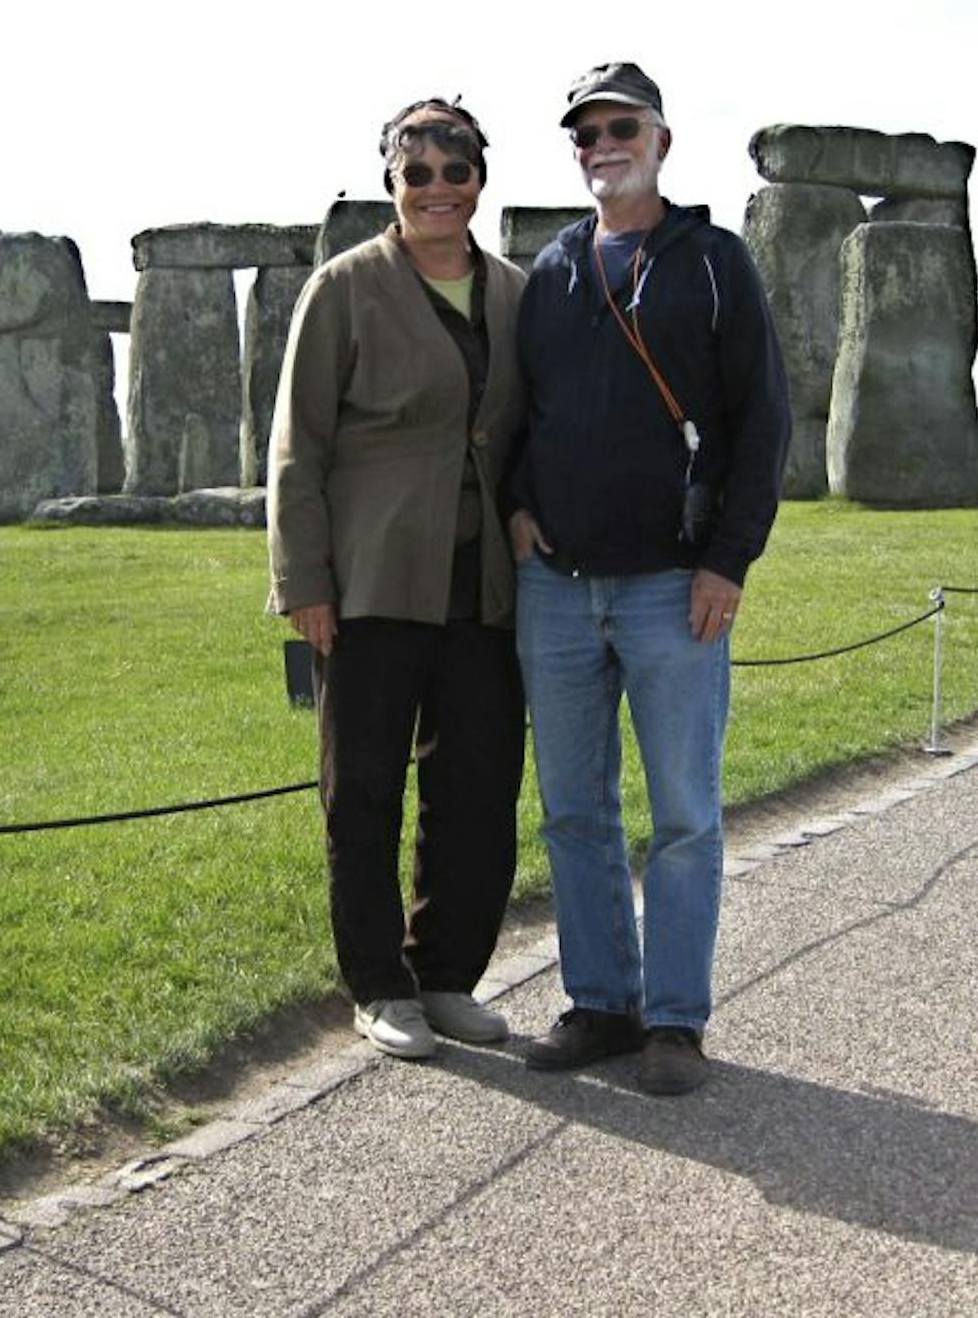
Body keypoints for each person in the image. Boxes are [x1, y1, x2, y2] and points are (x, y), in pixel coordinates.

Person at [506, 61, 789, 1095]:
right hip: (558, 585)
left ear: (661, 140)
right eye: (585, 134)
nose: (602, 147)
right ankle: (601, 1004)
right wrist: (517, 504)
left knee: (684, 815)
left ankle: (674, 1020)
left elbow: (763, 419)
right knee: (573, 812)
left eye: (621, 128)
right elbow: (519, 410)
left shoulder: (714, 263)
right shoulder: (551, 270)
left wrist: (728, 560)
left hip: (674, 584)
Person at [267, 98, 528, 1061]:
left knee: (478, 788)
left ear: (479, 181)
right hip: (370, 583)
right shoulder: (342, 289)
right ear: (391, 182)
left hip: (485, 587)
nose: (436, 190)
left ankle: (446, 974)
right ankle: (379, 984)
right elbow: (297, 446)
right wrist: (304, 580)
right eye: (416, 174)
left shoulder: (515, 293)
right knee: (365, 790)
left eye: (455, 172)